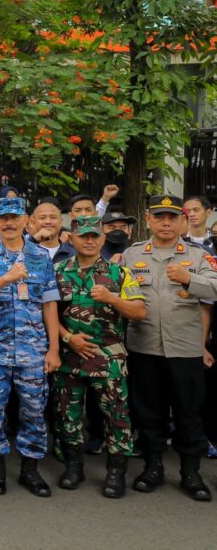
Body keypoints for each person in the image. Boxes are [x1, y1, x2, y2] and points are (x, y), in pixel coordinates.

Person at [123, 195, 217, 501]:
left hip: (185, 350)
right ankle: (153, 467)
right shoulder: (131, 255)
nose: (166, 222)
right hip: (144, 347)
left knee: (189, 413)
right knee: (149, 411)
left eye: (172, 217)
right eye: (160, 217)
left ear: (183, 221)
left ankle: (191, 472)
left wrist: (189, 277)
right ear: (148, 219)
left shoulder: (199, 256)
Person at [0, 196, 61, 498]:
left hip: (33, 351)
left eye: (14, 217)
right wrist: (6, 277)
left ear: (26, 221)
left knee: (34, 409)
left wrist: (54, 349)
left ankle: (30, 470)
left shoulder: (40, 256)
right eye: (2, 218)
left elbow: (49, 305)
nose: (8, 223)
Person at [53, 216, 146, 498]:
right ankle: (73, 466)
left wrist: (113, 299)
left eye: (94, 236)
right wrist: (68, 338)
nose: (90, 241)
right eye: (83, 236)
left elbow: (140, 312)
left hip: (109, 358)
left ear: (102, 239)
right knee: (66, 416)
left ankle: (115, 472)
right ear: (71, 238)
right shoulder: (56, 271)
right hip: (70, 357)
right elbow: (45, 315)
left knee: (116, 417)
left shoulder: (119, 273)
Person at [28, 198, 75, 263]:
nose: (48, 221)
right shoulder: (25, 251)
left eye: (53, 217)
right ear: (33, 222)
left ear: (61, 222)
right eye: (42, 217)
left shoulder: (73, 254)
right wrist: (34, 239)